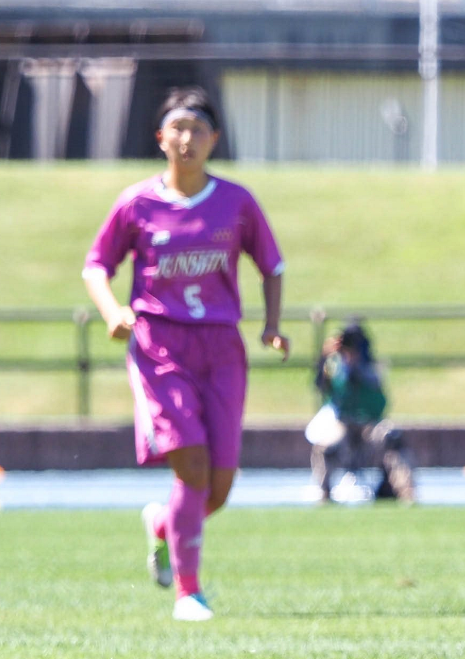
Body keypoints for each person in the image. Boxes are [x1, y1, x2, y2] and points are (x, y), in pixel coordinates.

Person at [82, 85, 289, 622]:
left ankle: (160, 525)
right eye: (177, 128)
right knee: (192, 467)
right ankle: (189, 592)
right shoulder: (137, 203)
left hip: (222, 348)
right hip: (160, 347)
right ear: (160, 138)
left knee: (216, 487)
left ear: (214, 139)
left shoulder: (236, 202)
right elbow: (96, 266)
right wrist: (113, 312)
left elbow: (272, 266)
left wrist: (270, 326)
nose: (187, 138)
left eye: (198, 129)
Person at [309, 320, 415, 504]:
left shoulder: (370, 366)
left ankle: (405, 491)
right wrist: (324, 357)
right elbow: (320, 386)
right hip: (342, 422)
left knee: (391, 437)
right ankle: (323, 493)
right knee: (323, 446)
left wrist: (356, 363)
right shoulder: (334, 365)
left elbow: (377, 396)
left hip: (369, 423)